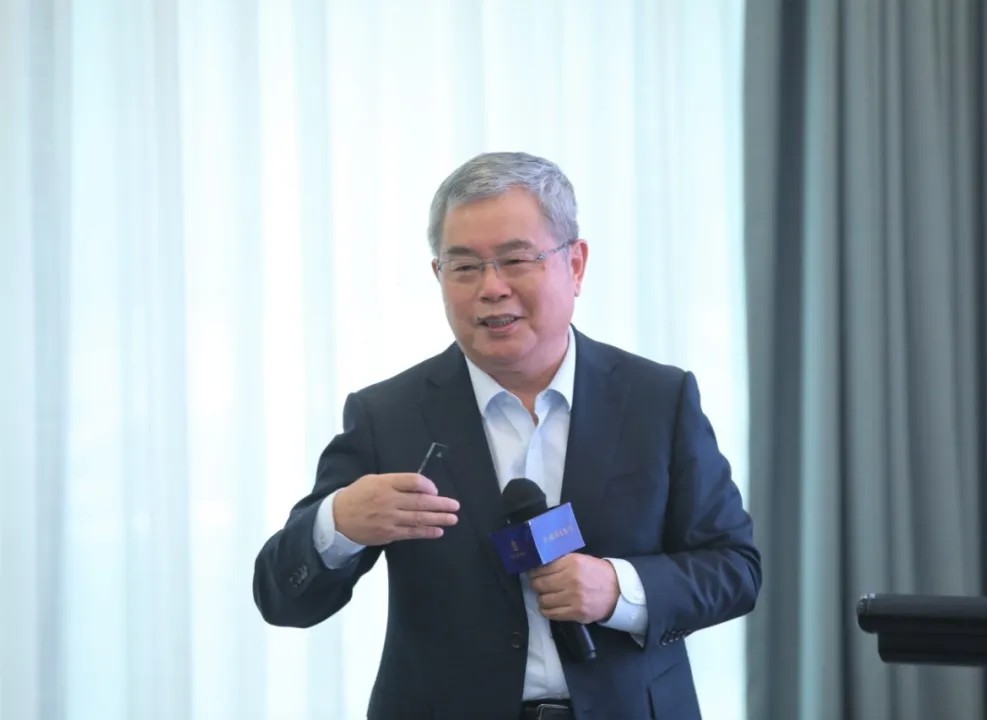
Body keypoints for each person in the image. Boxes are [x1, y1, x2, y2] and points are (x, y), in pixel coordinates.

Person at [253, 151, 761, 719]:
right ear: (438, 276)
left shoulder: (657, 400)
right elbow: (281, 599)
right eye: (464, 267)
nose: (491, 288)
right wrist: (339, 523)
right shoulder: (387, 415)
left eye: (516, 260)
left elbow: (735, 569)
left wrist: (620, 589)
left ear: (575, 265)